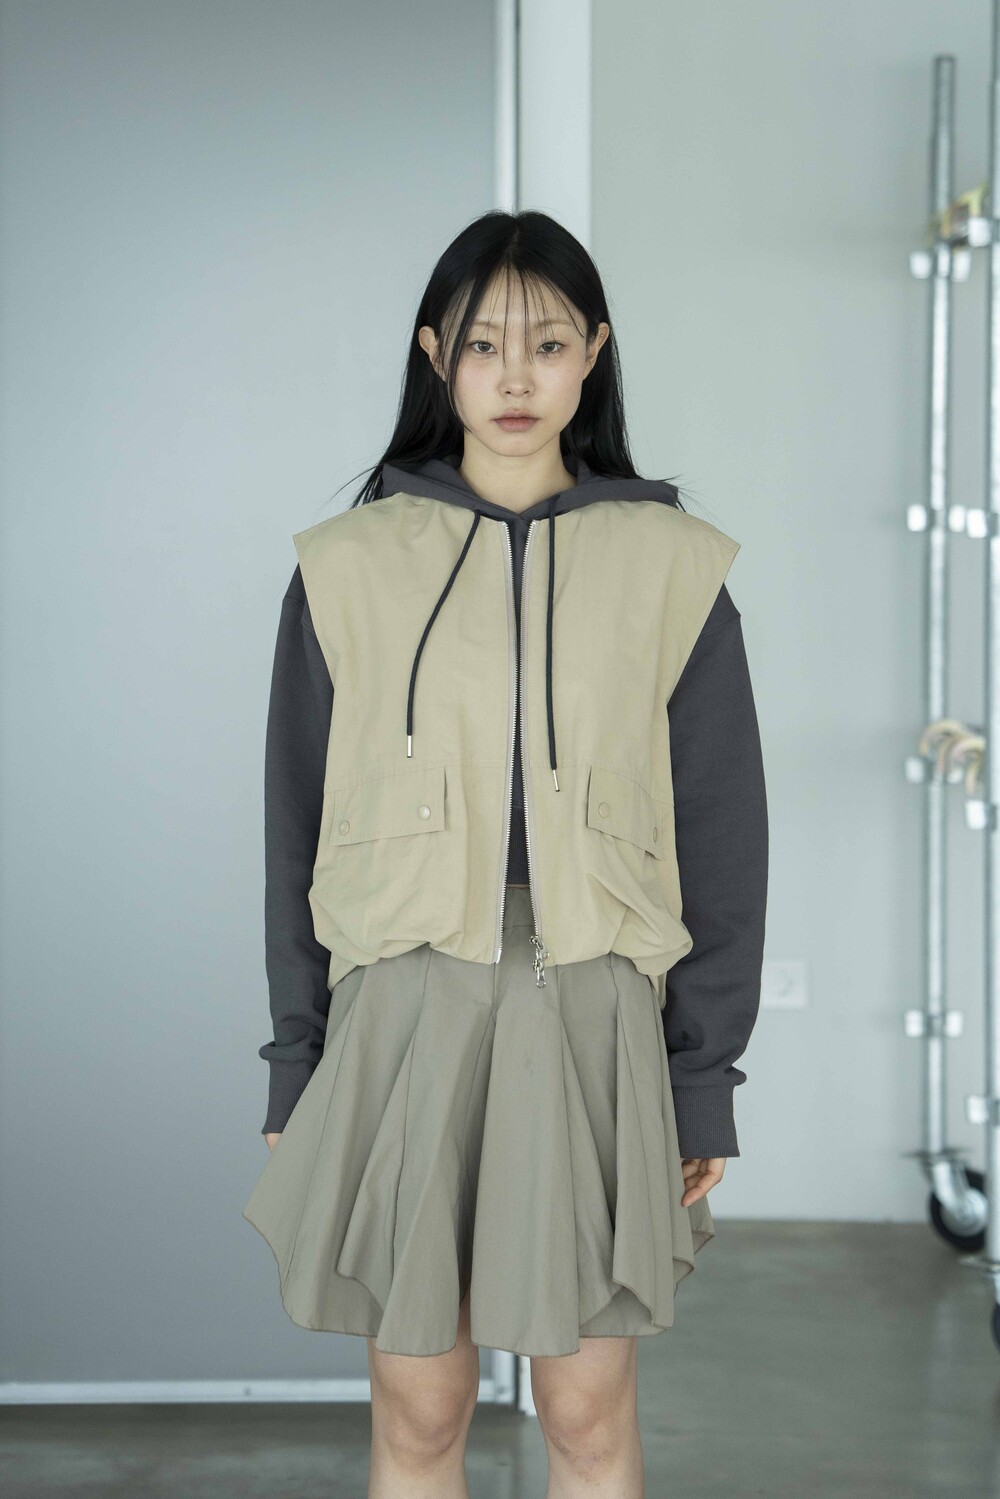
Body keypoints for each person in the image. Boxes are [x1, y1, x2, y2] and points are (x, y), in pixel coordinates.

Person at [242, 208, 768, 1498]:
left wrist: (703, 1077)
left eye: (547, 343)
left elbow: (724, 835)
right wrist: (298, 1057)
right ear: (437, 357)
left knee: (586, 1414)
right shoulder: (345, 568)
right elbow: (295, 825)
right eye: (483, 345)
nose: (516, 377)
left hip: (595, 1013)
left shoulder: (676, 568)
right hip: (402, 1014)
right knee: (420, 1415)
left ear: (596, 352)